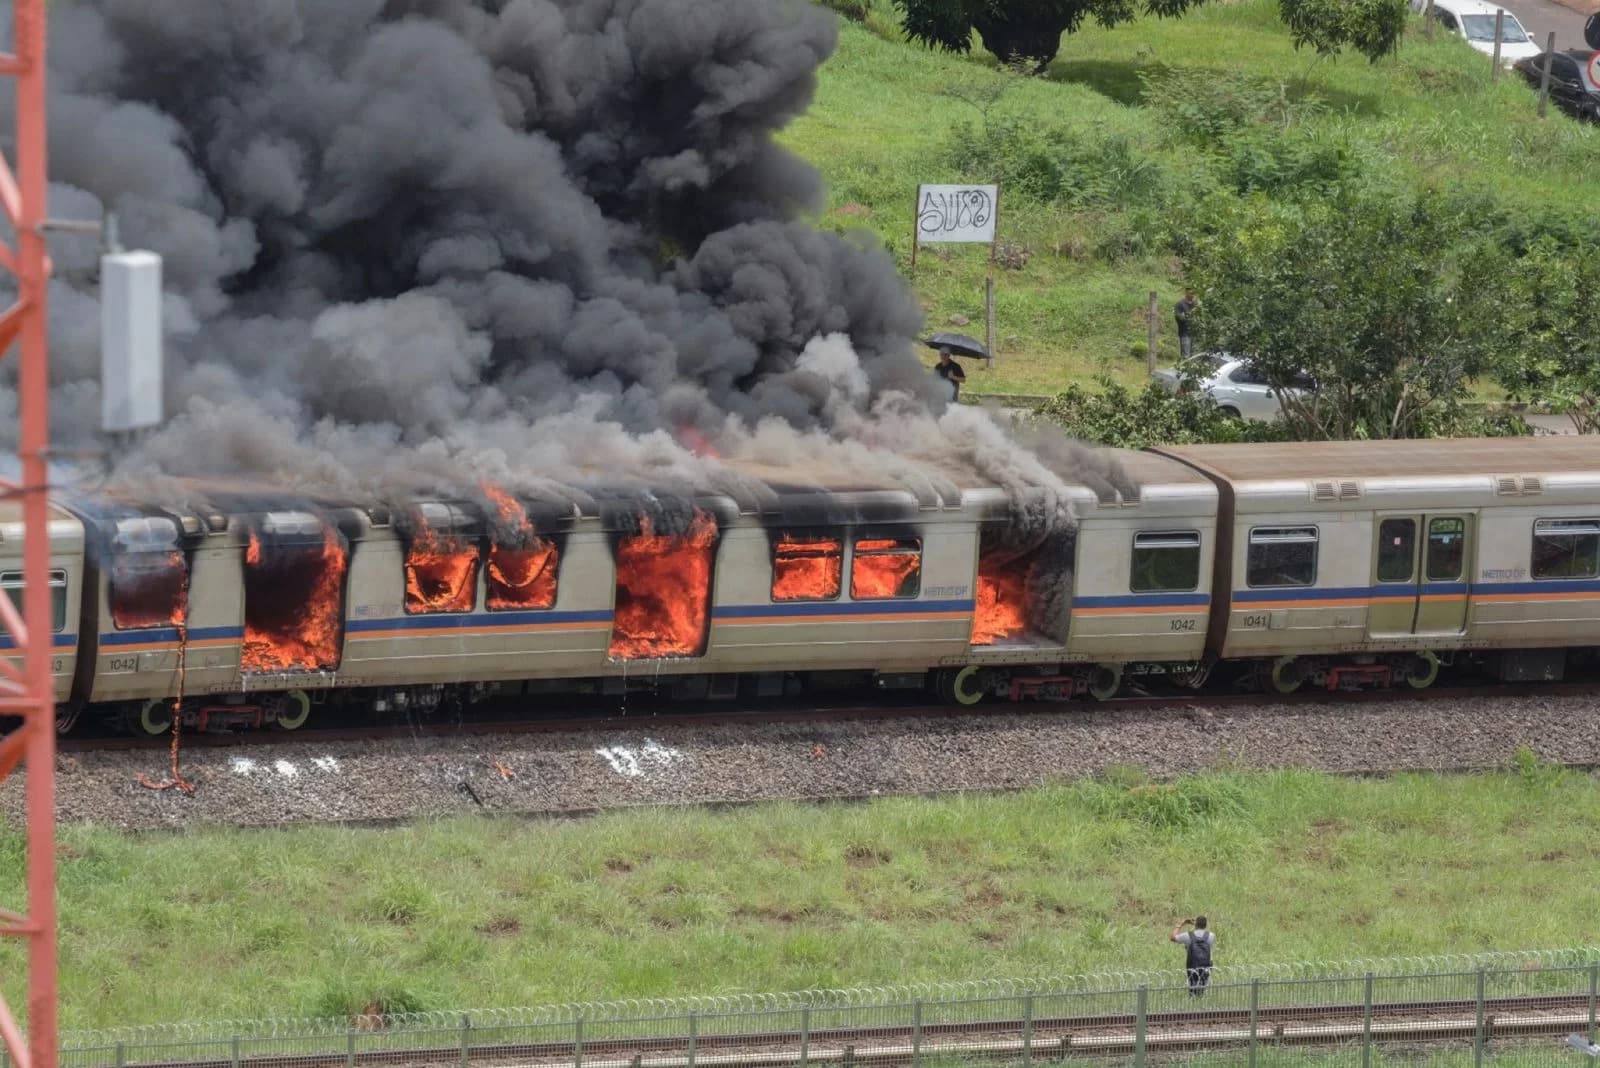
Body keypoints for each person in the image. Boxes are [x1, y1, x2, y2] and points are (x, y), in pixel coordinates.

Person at [1171, 916, 1214, 997]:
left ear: (1195, 924)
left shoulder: (1188, 936)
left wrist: (1181, 923)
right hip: (1207, 964)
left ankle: (1193, 999)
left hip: (1192, 964)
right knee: (1204, 986)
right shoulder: (1211, 935)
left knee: (1192, 986)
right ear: (1206, 924)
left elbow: (1173, 937)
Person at [1174, 289, 1198, 360]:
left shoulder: (1195, 304)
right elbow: (1180, 317)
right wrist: (1190, 316)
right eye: (1191, 293)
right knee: (1186, 355)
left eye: (1193, 293)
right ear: (1186, 293)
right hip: (1185, 333)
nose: (1192, 295)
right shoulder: (1180, 304)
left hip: (1195, 333)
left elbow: (1199, 316)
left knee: (1194, 356)